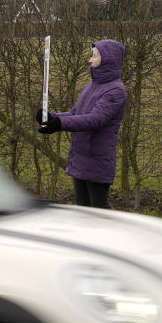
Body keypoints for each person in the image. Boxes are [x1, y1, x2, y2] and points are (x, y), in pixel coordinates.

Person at [35, 39, 127, 209]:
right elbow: (75, 114)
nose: (90, 59)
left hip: (97, 160)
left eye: (95, 55)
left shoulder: (116, 90)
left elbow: (95, 119)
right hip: (81, 158)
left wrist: (59, 123)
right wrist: (51, 117)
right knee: (83, 212)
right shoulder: (90, 87)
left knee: (99, 213)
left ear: (108, 59)